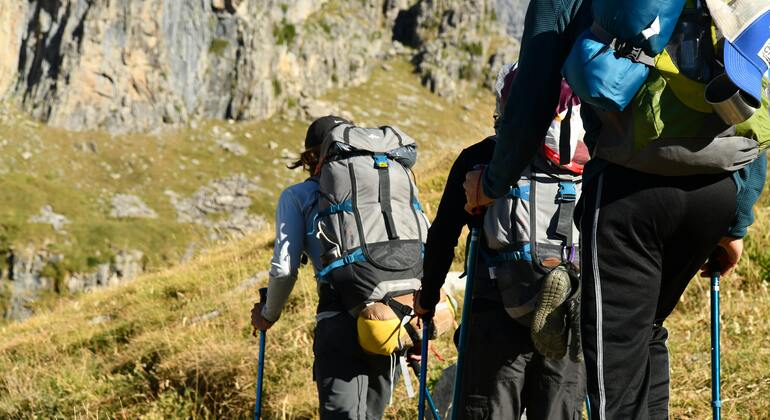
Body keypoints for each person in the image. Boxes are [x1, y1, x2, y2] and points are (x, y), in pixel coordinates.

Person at [461, 1, 769, 419]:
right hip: (715, 190)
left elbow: (531, 101)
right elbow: (752, 98)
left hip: (627, 192)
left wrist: (492, 184)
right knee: (647, 333)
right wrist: (736, 223)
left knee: (615, 363)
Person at [415, 63, 587, 419]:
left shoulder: (482, 158)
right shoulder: (593, 162)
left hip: (496, 312)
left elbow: (443, 235)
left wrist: (427, 301)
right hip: (571, 313)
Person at [250, 115, 399, 419]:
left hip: (339, 318)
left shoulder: (298, 196)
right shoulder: (378, 186)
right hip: (388, 316)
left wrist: (268, 314)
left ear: (308, 157)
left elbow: (284, 269)